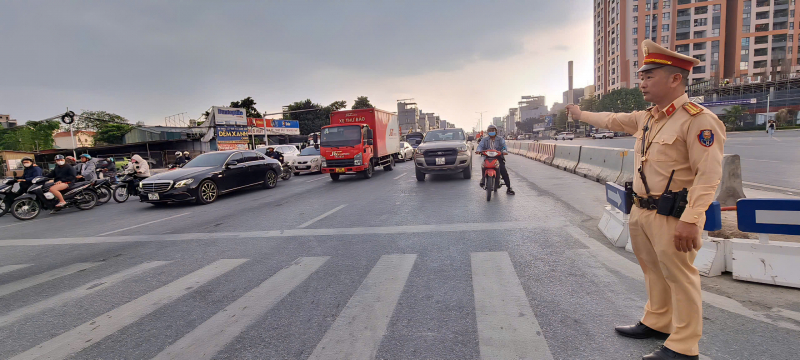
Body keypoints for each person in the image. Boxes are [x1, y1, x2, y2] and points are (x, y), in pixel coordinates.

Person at [566, 39, 725, 360]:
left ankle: (684, 345)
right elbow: (611, 120)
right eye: (642, 76)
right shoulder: (649, 118)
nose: (642, 83)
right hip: (642, 210)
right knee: (653, 270)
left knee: (680, 276)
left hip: (674, 215)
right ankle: (658, 321)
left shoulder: (698, 120)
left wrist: (691, 219)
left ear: (675, 79)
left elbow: (708, 176)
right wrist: (581, 114)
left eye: (649, 76)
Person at [475, 124, 515, 195]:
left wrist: (504, 151)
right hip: (487, 157)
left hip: (498, 157)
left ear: (496, 131)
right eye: (490, 130)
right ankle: (483, 180)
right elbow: (480, 146)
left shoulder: (500, 139)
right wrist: (478, 150)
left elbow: (504, 146)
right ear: (488, 132)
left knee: (503, 170)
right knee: (483, 166)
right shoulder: (484, 139)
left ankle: (509, 188)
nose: (491, 132)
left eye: (493, 130)